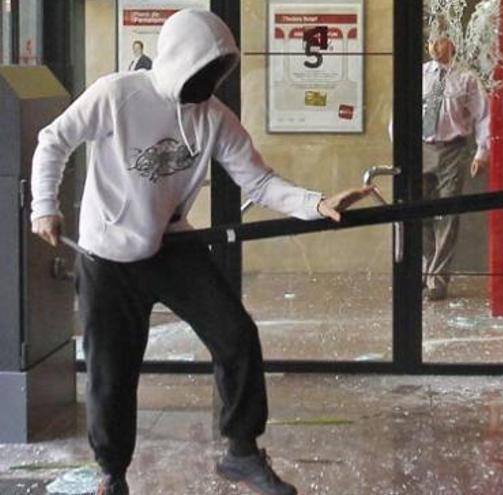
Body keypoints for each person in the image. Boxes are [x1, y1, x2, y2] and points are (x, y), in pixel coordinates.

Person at [30, 9, 372, 495]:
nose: (208, 81)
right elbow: (53, 140)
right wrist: (44, 205)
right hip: (107, 254)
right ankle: (113, 473)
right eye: (201, 68)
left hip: (171, 244)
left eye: (217, 70)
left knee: (235, 334)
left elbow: (260, 180)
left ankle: (242, 452)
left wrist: (316, 203)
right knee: (112, 374)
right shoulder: (117, 94)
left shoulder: (212, 116)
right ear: (175, 60)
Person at [421, 31, 490, 301]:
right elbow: (400, 110)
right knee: (418, 213)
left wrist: (482, 152)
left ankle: (438, 279)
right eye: (430, 41)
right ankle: (426, 271)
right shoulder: (421, 75)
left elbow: (483, 116)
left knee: (448, 213)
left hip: (453, 149)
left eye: (438, 41)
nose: (433, 47)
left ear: (452, 44)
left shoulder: (466, 78)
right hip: (421, 147)